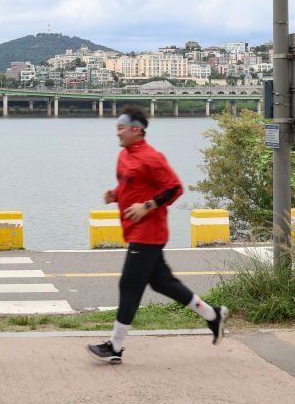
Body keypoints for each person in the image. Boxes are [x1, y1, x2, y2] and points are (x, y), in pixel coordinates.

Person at [88, 104, 228, 364]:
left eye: (121, 128)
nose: (117, 132)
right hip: (135, 231)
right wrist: (115, 194)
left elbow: (175, 188)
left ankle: (115, 346)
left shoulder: (152, 157)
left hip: (149, 232)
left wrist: (147, 206)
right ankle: (213, 315)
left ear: (136, 130)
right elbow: (130, 184)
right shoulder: (125, 154)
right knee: (164, 283)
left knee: (129, 284)